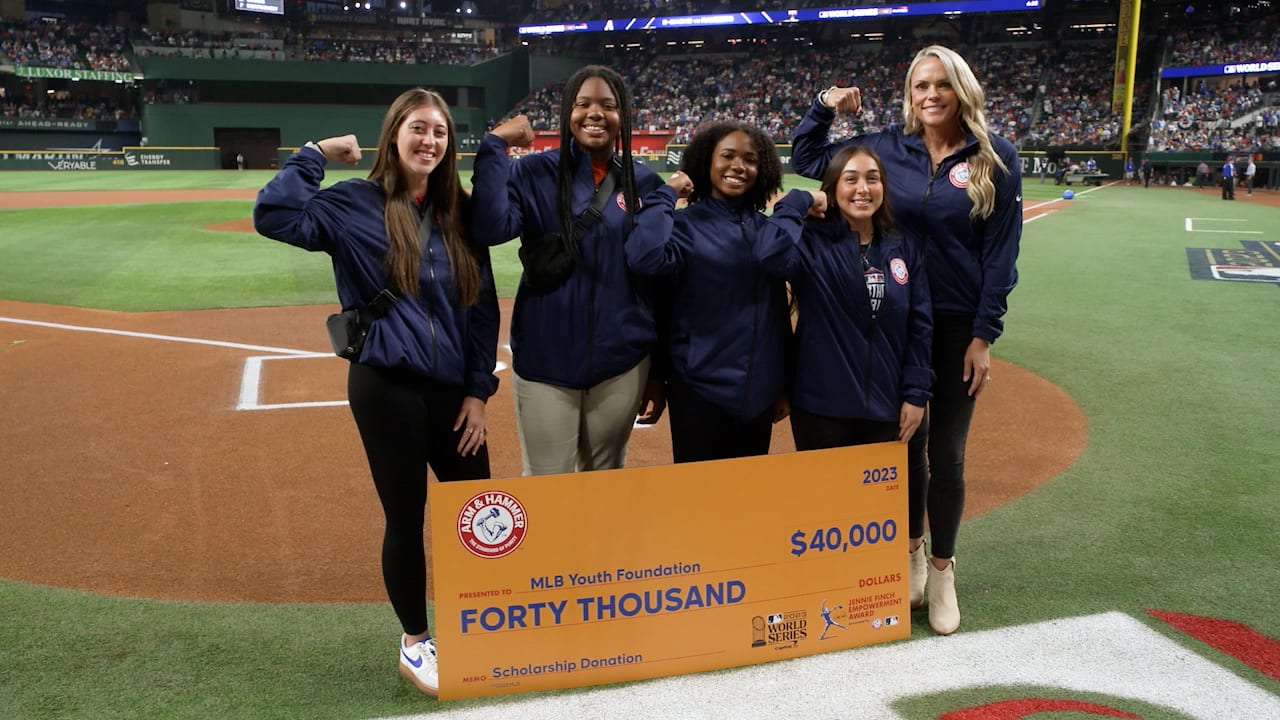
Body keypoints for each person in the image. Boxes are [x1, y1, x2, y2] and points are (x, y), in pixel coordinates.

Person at [253, 88, 500, 698]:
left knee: (482, 510)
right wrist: (313, 153)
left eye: (440, 132)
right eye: (419, 128)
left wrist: (477, 392)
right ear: (395, 134)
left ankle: (485, 621)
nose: (430, 142)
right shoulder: (352, 204)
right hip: (385, 385)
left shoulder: (460, 213)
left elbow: (482, 308)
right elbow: (274, 214)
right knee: (406, 515)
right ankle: (417, 641)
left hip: (452, 392)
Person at [792, 45, 1020, 636]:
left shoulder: (996, 160)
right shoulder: (889, 148)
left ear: (961, 88)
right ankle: (911, 551)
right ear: (908, 92)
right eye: (921, 85)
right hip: (893, 319)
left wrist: (983, 334)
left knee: (946, 452)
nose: (931, 95)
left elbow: (1000, 258)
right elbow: (810, 156)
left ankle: (943, 568)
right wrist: (825, 106)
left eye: (942, 84)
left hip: (954, 327)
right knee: (903, 443)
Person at [471, 65, 665, 475]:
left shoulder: (644, 183)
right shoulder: (533, 172)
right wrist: (493, 146)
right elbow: (489, 229)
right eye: (583, 104)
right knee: (547, 483)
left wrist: (657, 373)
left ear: (622, 117)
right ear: (567, 114)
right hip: (545, 358)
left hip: (622, 361)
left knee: (606, 478)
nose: (595, 113)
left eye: (608, 106)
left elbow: (655, 279)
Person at [625, 120, 800, 462]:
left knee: (748, 499)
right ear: (706, 162)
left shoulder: (767, 230)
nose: (739, 166)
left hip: (759, 394)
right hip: (699, 392)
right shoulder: (683, 226)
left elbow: (777, 312)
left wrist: (783, 383)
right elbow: (646, 265)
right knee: (699, 503)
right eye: (727, 156)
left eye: (749, 159)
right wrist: (667, 193)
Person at [753, 144, 933, 454]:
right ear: (833, 187)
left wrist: (916, 395)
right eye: (851, 179)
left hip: (885, 407)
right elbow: (767, 253)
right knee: (824, 501)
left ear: (883, 187)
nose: (863, 189)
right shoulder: (810, 242)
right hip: (820, 409)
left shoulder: (901, 246)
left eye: (872, 179)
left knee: (877, 503)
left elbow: (920, 325)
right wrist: (799, 200)